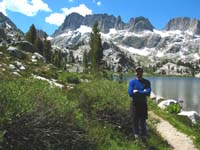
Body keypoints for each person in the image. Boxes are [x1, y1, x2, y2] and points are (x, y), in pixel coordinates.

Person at [128, 67, 151, 143]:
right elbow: (130, 93)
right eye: (137, 72)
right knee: (135, 121)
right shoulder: (132, 82)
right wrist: (142, 92)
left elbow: (148, 93)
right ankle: (136, 138)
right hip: (134, 105)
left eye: (140, 72)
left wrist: (137, 92)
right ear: (135, 73)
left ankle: (144, 138)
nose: (139, 73)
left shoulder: (147, 82)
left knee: (143, 122)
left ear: (142, 73)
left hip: (143, 104)